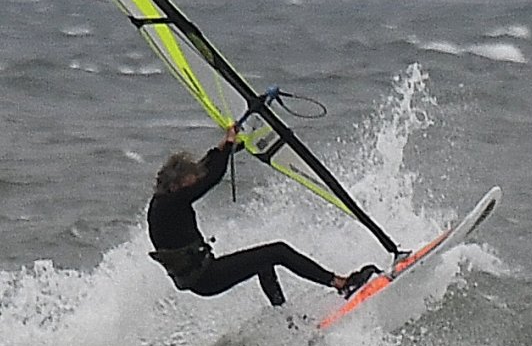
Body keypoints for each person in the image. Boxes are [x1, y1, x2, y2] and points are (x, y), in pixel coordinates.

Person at [147, 124, 378, 306]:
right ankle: (341, 283)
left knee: (263, 261)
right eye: (191, 180)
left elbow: (204, 168)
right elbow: (212, 177)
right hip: (206, 278)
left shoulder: (164, 199)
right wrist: (227, 145)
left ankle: (286, 320)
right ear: (177, 184)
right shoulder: (171, 204)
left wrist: (224, 147)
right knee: (277, 251)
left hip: (200, 276)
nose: (196, 180)